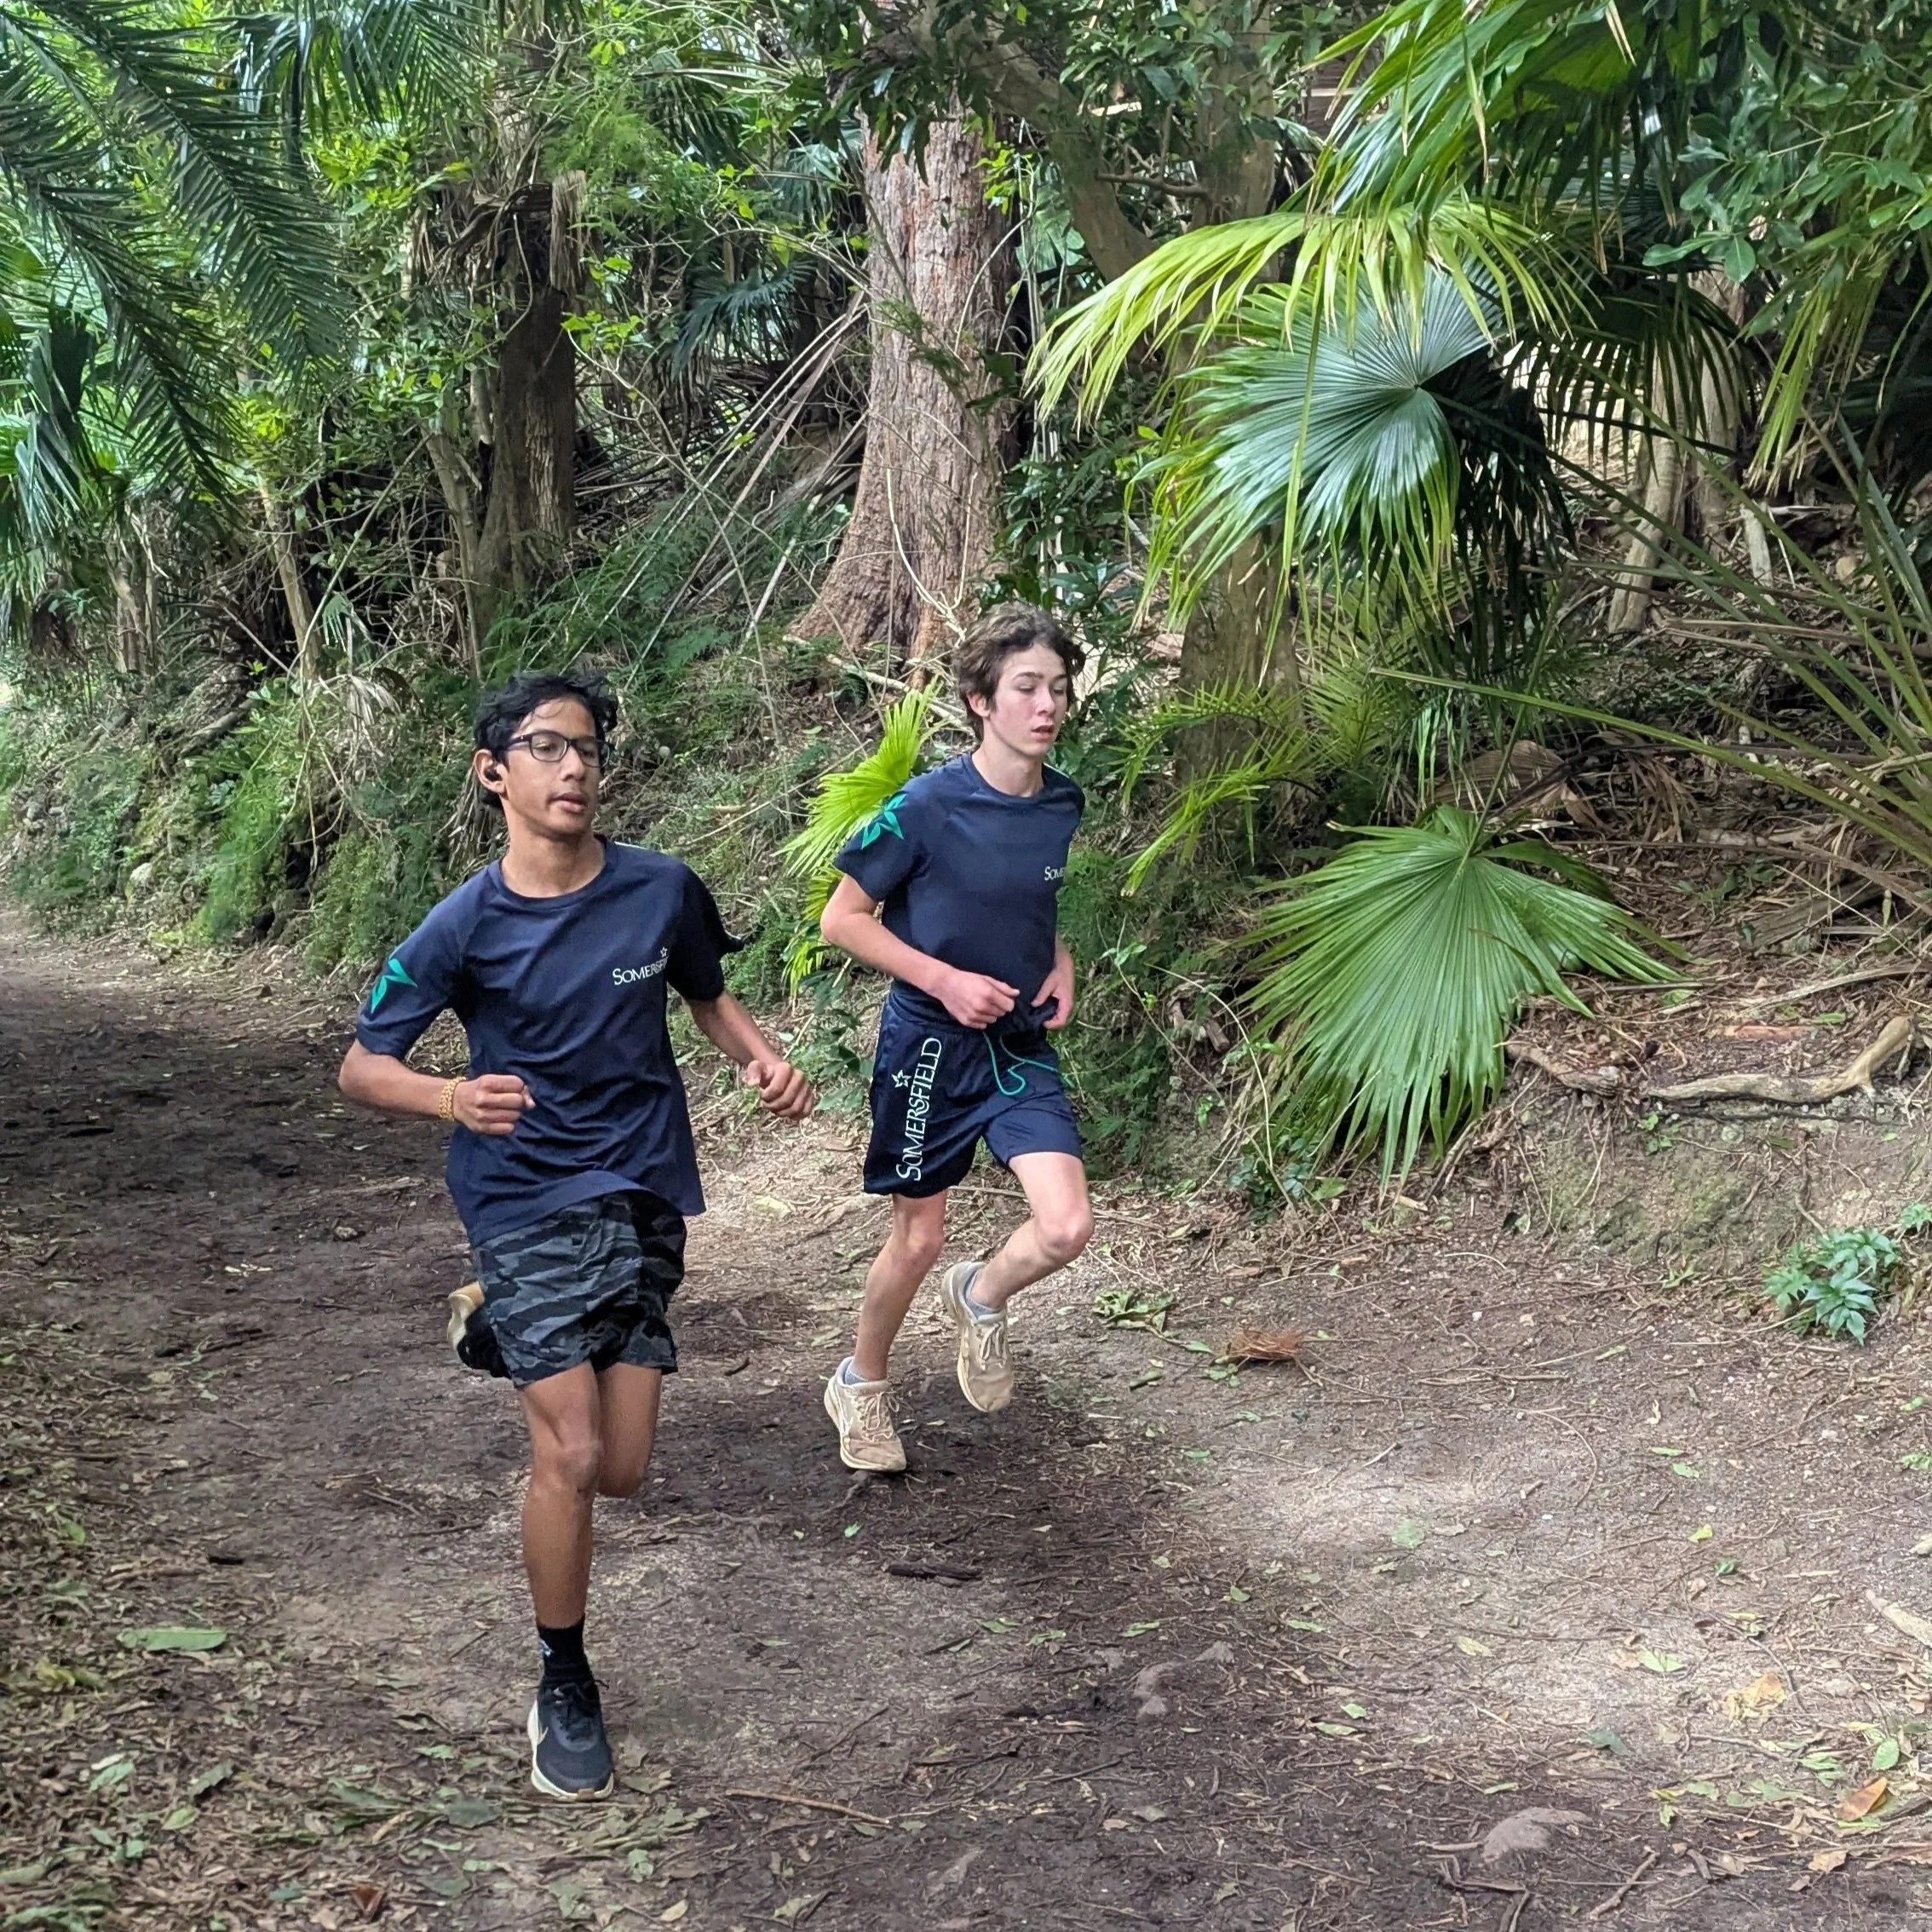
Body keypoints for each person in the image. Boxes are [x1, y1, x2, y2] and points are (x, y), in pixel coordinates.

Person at [337, 670, 813, 1802]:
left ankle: (501, 1326)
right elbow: (360, 1065)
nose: (574, 768)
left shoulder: (660, 891)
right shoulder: (465, 924)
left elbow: (704, 992)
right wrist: (452, 1100)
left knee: (632, 1471)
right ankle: (564, 1675)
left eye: (588, 749)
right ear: (493, 772)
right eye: (548, 748)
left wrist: (756, 1053)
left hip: (644, 1183)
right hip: (522, 1192)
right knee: (575, 1456)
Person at [818, 603, 1095, 1473]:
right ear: (981, 700)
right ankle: (859, 1385)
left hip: (1015, 1043)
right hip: (929, 1048)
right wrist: (940, 979)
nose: (1047, 705)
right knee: (918, 1237)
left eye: (1057, 689)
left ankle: (981, 1294)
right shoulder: (924, 808)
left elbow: (1030, 901)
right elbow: (843, 919)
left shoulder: (1061, 802)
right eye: (1026, 688)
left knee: (1066, 1226)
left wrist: (1060, 958)